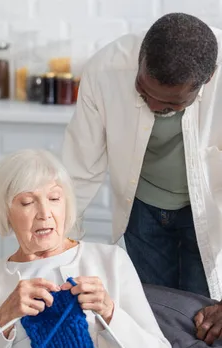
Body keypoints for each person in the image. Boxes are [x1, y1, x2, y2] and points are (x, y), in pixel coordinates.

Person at [0, 149, 173, 348]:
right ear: (6, 213)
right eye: (27, 202)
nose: (44, 213)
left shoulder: (111, 260)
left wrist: (110, 313)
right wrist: (3, 319)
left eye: (54, 199)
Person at [61, 13, 222, 301]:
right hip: (142, 212)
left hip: (212, 215)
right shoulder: (105, 70)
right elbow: (79, 169)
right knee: (153, 310)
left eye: (172, 103)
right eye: (143, 91)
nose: (154, 105)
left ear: (207, 79)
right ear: (140, 60)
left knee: (204, 316)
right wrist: (62, 246)